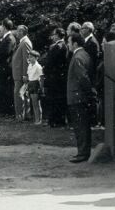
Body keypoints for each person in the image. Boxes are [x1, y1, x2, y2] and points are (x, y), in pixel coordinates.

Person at [67, 33, 94, 163]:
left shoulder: (77, 57)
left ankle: (82, 153)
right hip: (81, 96)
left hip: (77, 96)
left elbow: (82, 77)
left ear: (75, 43)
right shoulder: (85, 54)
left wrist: (88, 92)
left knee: (80, 126)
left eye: (69, 42)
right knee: (82, 125)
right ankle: (83, 152)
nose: (68, 44)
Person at [43, 27, 68, 128]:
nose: (52, 36)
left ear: (57, 35)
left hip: (54, 77)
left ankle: (53, 121)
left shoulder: (57, 46)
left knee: (53, 99)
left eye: (54, 34)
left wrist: (45, 69)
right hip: (59, 77)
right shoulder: (63, 45)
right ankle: (57, 120)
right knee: (58, 99)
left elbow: (50, 62)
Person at [0, 19, 16, 115]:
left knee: (4, 89)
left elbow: (5, 53)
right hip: (3, 67)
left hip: (4, 67)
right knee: (3, 89)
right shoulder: (7, 38)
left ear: (5, 27)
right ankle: (4, 110)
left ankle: (6, 110)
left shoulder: (9, 38)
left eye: (2, 26)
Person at [12, 25, 32, 120]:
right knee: (23, 94)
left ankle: (20, 116)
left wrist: (25, 74)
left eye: (19, 31)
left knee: (19, 94)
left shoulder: (25, 42)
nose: (17, 32)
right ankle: (25, 115)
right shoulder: (22, 42)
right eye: (17, 30)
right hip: (19, 73)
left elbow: (27, 60)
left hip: (21, 74)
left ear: (23, 32)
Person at [26, 50, 43, 125]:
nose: (30, 59)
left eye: (32, 57)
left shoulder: (38, 66)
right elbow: (28, 76)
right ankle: (36, 119)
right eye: (29, 57)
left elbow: (41, 77)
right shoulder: (29, 65)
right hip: (30, 84)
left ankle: (38, 120)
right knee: (33, 103)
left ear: (36, 58)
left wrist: (41, 88)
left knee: (36, 103)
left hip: (36, 84)